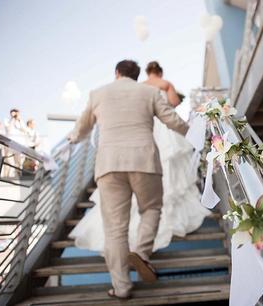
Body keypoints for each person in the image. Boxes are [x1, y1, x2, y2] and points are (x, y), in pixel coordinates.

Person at [68, 60, 189, 299]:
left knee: (114, 229)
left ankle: (121, 287)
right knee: (152, 208)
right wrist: (197, 135)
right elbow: (172, 120)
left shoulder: (98, 94)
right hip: (144, 161)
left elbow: (82, 127)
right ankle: (142, 254)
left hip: (109, 165)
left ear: (117, 73)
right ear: (136, 75)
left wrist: (73, 138)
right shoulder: (150, 91)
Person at [4, 109, 27, 177]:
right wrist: (13, 119)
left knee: (19, 162)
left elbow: (25, 130)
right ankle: (9, 176)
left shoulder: (21, 121)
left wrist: (19, 120)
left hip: (19, 144)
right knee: (9, 161)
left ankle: (18, 175)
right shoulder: (7, 120)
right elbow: (8, 129)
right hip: (10, 144)